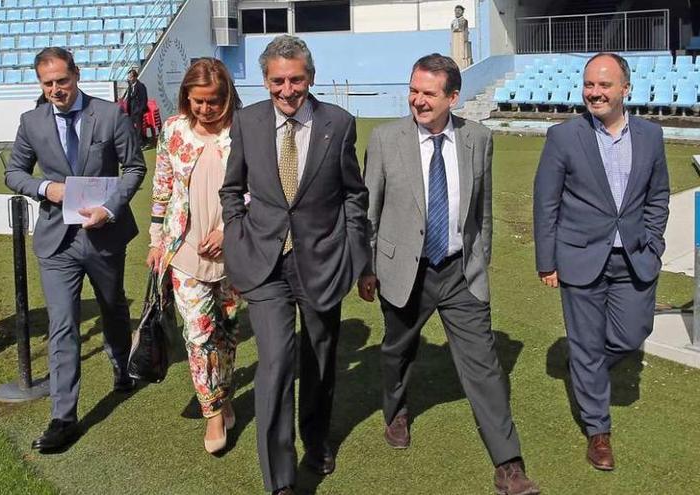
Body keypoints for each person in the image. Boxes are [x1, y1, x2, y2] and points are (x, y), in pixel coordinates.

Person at [359, 53, 539, 495]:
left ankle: (509, 463)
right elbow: (368, 211)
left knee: (484, 366)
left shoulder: (478, 138)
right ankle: (397, 410)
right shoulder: (385, 139)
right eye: (414, 90)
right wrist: (366, 268)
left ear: (453, 97)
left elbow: (483, 210)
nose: (418, 100)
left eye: (428, 93)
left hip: (461, 272)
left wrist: (481, 259)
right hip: (404, 271)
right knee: (396, 351)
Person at [220, 35, 370, 494]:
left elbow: (353, 194)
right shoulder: (247, 121)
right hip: (264, 263)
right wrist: (236, 235)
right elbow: (231, 190)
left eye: (296, 79)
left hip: (323, 261)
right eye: (277, 81)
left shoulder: (339, 123)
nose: (288, 90)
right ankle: (279, 480)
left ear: (311, 77)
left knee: (320, 359)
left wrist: (353, 254)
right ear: (265, 80)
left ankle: (317, 438)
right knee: (276, 363)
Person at [4, 47, 146, 452]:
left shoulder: (110, 114)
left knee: (113, 305)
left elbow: (135, 167)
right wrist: (45, 188)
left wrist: (108, 208)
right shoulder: (31, 122)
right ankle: (63, 417)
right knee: (62, 324)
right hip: (56, 240)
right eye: (47, 83)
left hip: (103, 235)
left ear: (77, 76)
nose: (55, 90)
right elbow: (14, 172)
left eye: (61, 81)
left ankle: (121, 362)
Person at [533, 52, 669, 471]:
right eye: (590, 84)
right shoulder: (563, 136)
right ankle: (598, 431)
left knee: (632, 334)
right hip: (578, 257)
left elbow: (658, 195)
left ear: (625, 89)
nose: (595, 92)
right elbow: (546, 203)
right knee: (588, 345)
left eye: (604, 85)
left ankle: (585, 364)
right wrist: (546, 261)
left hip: (634, 257)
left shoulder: (651, 135)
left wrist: (654, 241)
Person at [146, 58, 242, 455]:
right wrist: (155, 240)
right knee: (198, 336)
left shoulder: (244, 132)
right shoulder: (173, 130)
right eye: (197, 101)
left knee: (227, 334)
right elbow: (163, 185)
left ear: (227, 97)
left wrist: (229, 231)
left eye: (214, 101)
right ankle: (213, 414)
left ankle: (223, 395)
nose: (205, 109)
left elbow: (260, 190)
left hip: (235, 253)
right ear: (187, 96)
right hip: (183, 250)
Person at [126, 68, 148, 146]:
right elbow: (129, 98)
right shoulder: (130, 86)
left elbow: (144, 99)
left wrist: (140, 109)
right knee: (132, 127)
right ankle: (137, 141)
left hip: (138, 110)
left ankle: (140, 143)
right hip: (131, 110)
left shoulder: (141, 86)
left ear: (135, 77)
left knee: (139, 127)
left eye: (131, 77)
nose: (129, 79)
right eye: (129, 77)